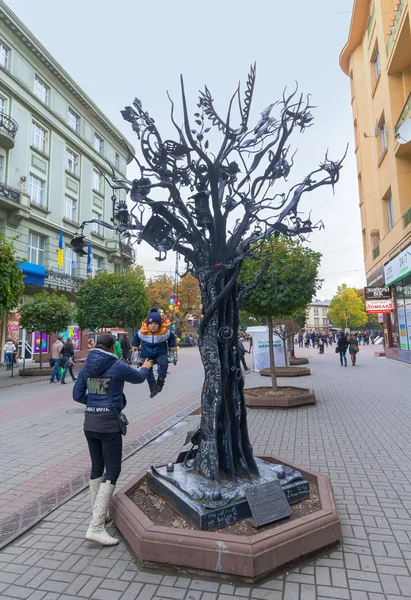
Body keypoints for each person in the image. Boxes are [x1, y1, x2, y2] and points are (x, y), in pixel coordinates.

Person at [73, 333, 153, 546]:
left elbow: (77, 394)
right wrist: (145, 366)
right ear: (112, 347)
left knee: (97, 468)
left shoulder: (87, 367)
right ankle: (96, 526)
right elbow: (139, 377)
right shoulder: (116, 365)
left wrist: (94, 401)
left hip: (89, 422)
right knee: (113, 470)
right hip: (109, 424)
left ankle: (100, 515)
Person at [132, 308, 176, 398]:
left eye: (156, 324)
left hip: (160, 353)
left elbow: (172, 336)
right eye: (151, 324)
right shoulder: (142, 332)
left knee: (164, 362)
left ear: (159, 325)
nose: (153, 326)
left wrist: (172, 345)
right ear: (147, 324)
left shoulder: (164, 332)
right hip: (146, 354)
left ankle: (160, 381)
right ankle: (152, 387)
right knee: (147, 368)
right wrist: (135, 345)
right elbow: (136, 336)